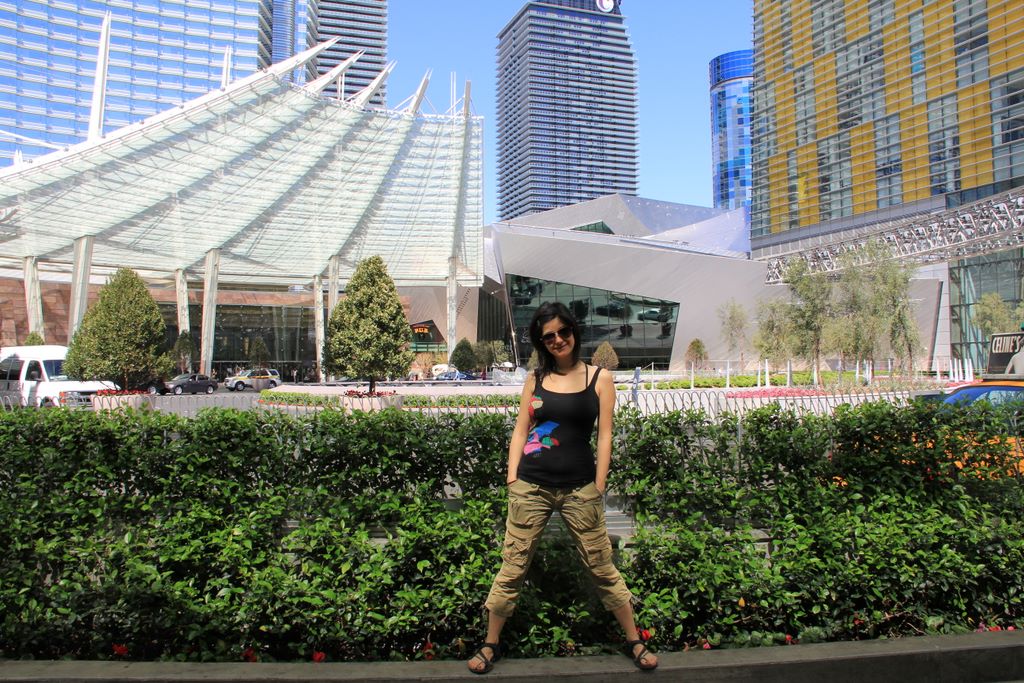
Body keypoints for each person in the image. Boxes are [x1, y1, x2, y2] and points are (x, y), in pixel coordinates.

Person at [467, 301, 657, 674]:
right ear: (542, 342)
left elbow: (605, 435)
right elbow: (520, 430)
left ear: (574, 330)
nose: (557, 340)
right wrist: (512, 477)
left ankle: (634, 640)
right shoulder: (535, 379)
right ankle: (490, 644)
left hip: (580, 489)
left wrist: (599, 483)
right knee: (513, 566)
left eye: (563, 331)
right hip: (530, 486)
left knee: (601, 566)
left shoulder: (599, 378)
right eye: (548, 336)